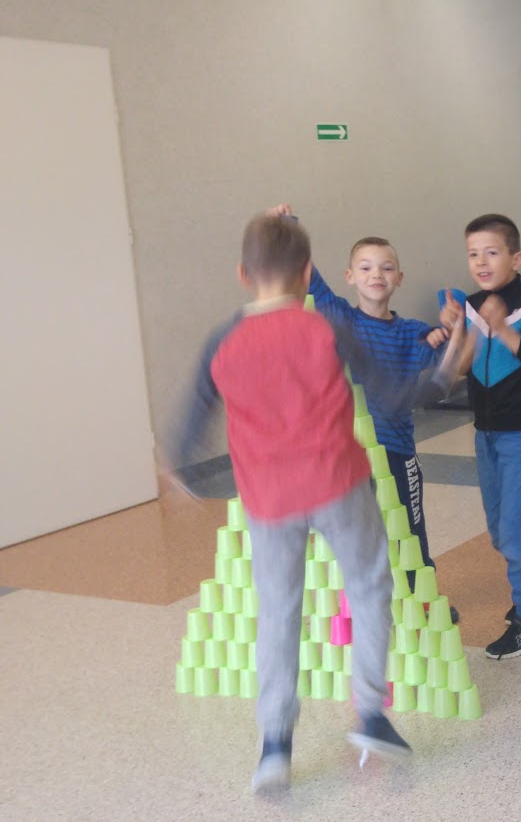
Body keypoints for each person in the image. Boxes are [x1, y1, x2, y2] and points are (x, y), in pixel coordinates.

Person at [166, 210, 454, 791]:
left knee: (278, 612)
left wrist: (178, 472)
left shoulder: (223, 340)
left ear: (243, 274)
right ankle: (370, 713)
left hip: (267, 499)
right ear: (306, 274)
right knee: (369, 586)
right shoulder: (328, 329)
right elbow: (393, 394)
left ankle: (275, 745)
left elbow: (190, 422)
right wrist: (446, 373)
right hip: (338, 484)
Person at [291, 212, 455, 615]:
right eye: (365, 267)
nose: (376, 274)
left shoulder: (413, 331)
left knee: (410, 529)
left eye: (386, 268)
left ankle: (422, 599)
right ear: (350, 276)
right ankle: (363, 604)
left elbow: (438, 376)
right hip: (349, 453)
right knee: (356, 531)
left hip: (396, 450)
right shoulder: (341, 318)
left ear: (399, 278)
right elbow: (308, 275)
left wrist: (448, 334)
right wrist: (289, 227)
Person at [437, 214, 521, 659]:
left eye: (492, 252)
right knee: (498, 531)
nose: (481, 262)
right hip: (485, 433)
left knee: (516, 534)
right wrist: (455, 332)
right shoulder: (471, 305)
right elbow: (459, 370)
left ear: (516, 258)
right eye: (473, 254)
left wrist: (504, 329)